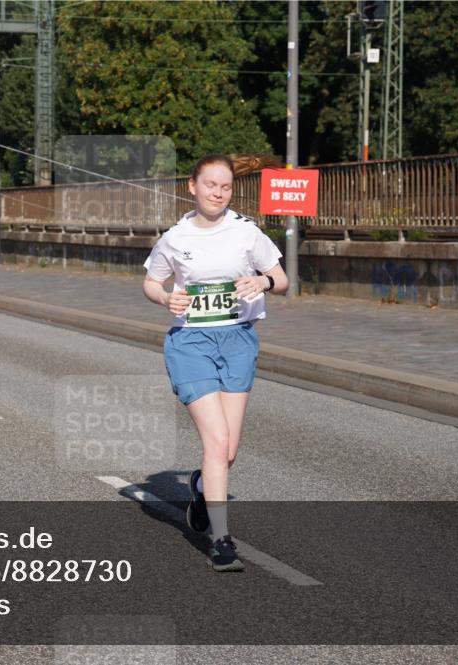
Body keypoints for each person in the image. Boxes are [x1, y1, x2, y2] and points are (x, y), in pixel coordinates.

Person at [143, 154, 289, 572]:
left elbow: (281, 280)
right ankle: (222, 539)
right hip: (191, 343)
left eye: (225, 187)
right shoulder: (175, 237)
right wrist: (165, 297)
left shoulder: (246, 233)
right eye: (210, 185)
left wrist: (262, 280)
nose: (218, 193)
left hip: (239, 341)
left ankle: (201, 486)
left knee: (229, 450)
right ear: (193, 186)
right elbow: (152, 281)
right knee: (215, 441)